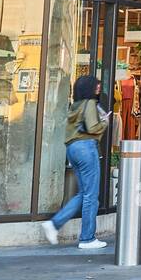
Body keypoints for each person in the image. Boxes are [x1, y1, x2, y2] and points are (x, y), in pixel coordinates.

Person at [41, 75, 109, 251]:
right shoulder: (90, 104)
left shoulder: (75, 106)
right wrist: (105, 122)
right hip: (87, 148)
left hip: (72, 149)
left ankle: (54, 224)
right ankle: (87, 238)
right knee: (91, 196)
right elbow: (93, 128)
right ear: (89, 88)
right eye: (96, 86)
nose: (99, 88)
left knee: (84, 193)